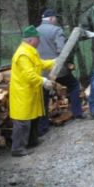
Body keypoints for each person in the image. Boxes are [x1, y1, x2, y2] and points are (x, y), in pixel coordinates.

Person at [37, 9, 85, 136]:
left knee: (43, 97)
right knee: (74, 85)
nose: (56, 20)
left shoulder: (35, 31)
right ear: (52, 18)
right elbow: (61, 50)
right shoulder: (56, 30)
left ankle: (43, 127)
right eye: (56, 18)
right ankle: (77, 113)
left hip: (41, 71)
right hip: (57, 69)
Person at [9, 25, 56, 157]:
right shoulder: (23, 54)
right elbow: (29, 75)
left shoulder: (30, 51)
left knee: (33, 117)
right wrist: (43, 81)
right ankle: (17, 149)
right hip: (23, 92)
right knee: (22, 121)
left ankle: (32, 141)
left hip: (30, 92)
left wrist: (54, 62)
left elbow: (40, 64)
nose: (39, 41)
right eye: (37, 39)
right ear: (31, 40)